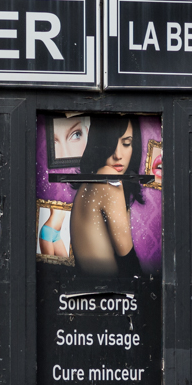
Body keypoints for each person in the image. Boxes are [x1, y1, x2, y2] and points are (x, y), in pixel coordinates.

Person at [71, 116, 144, 278]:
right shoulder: (108, 176)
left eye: (126, 143)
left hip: (94, 294)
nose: (118, 154)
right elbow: (128, 261)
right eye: (110, 144)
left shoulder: (89, 183)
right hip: (111, 294)